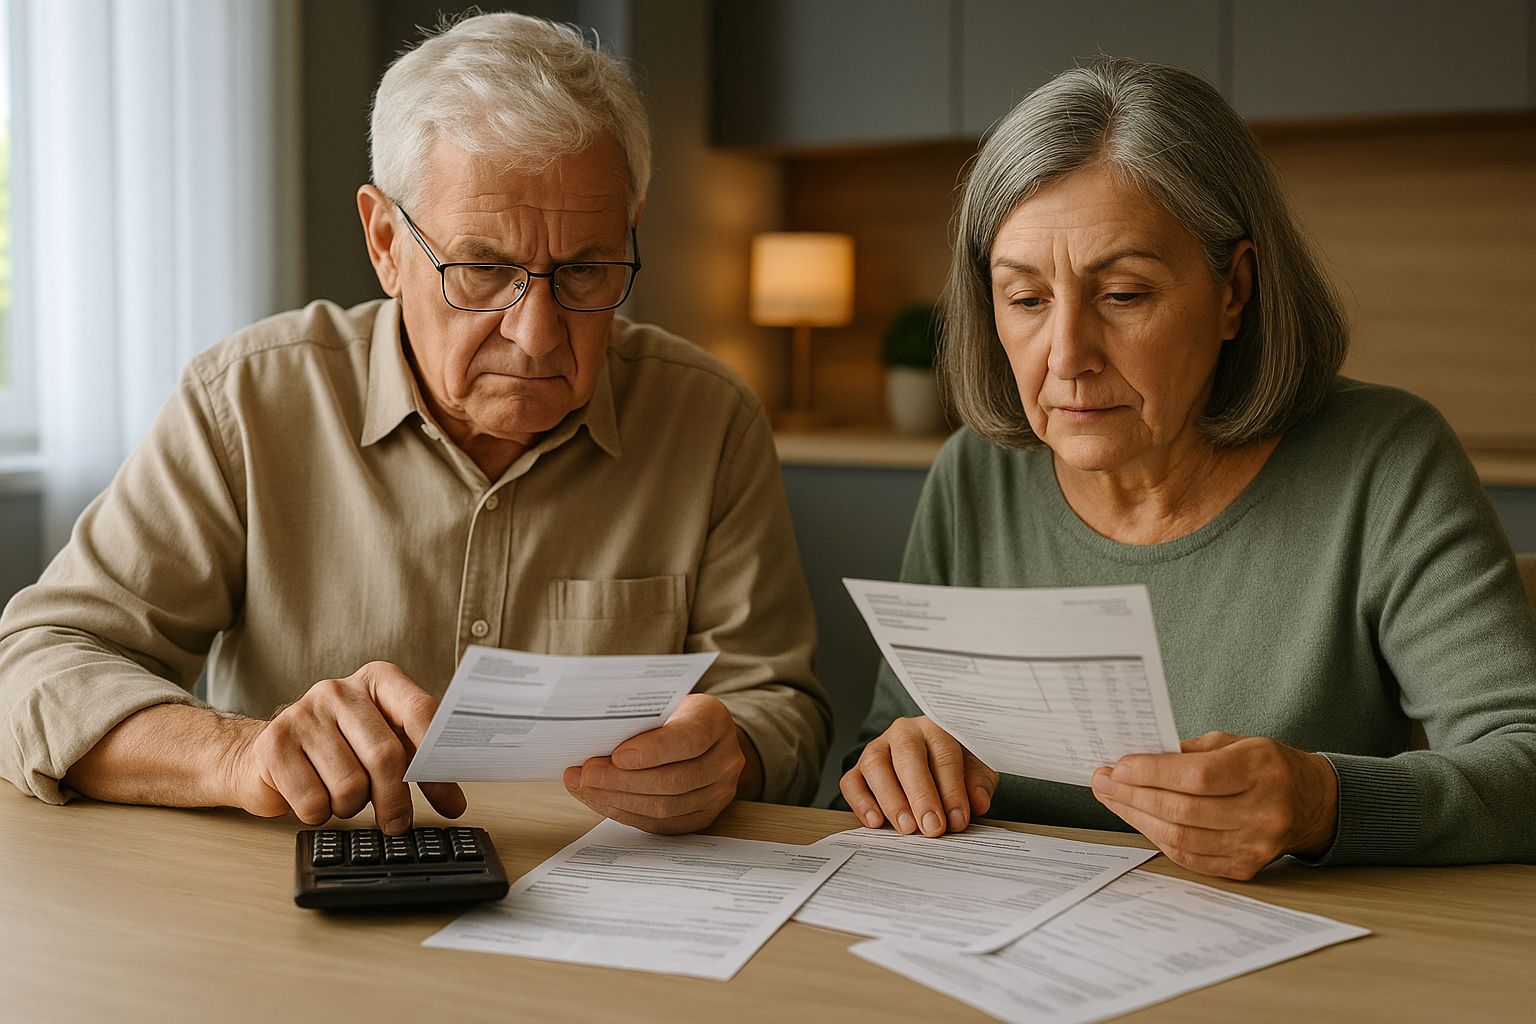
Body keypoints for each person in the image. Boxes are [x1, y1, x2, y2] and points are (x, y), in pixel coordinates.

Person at [0, 12, 830, 837]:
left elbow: (780, 703)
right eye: (483, 268)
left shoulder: (709, 417)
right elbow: (35, 666)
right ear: (386, 241)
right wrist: (237, 755)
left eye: (585, 269)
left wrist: (733, 753)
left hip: (603, 908)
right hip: (291, 916)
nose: (536, 332)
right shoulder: (249, 402)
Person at [840, 57, 1536, 879]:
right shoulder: (974, 478)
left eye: (1124, 294)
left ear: (1233, 289)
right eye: (1025, 300)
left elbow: (1521, 761)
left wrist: (1322, 804)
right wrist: (900, 763)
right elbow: (887, 743)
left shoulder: (1385, 463)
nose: (1067, 357)